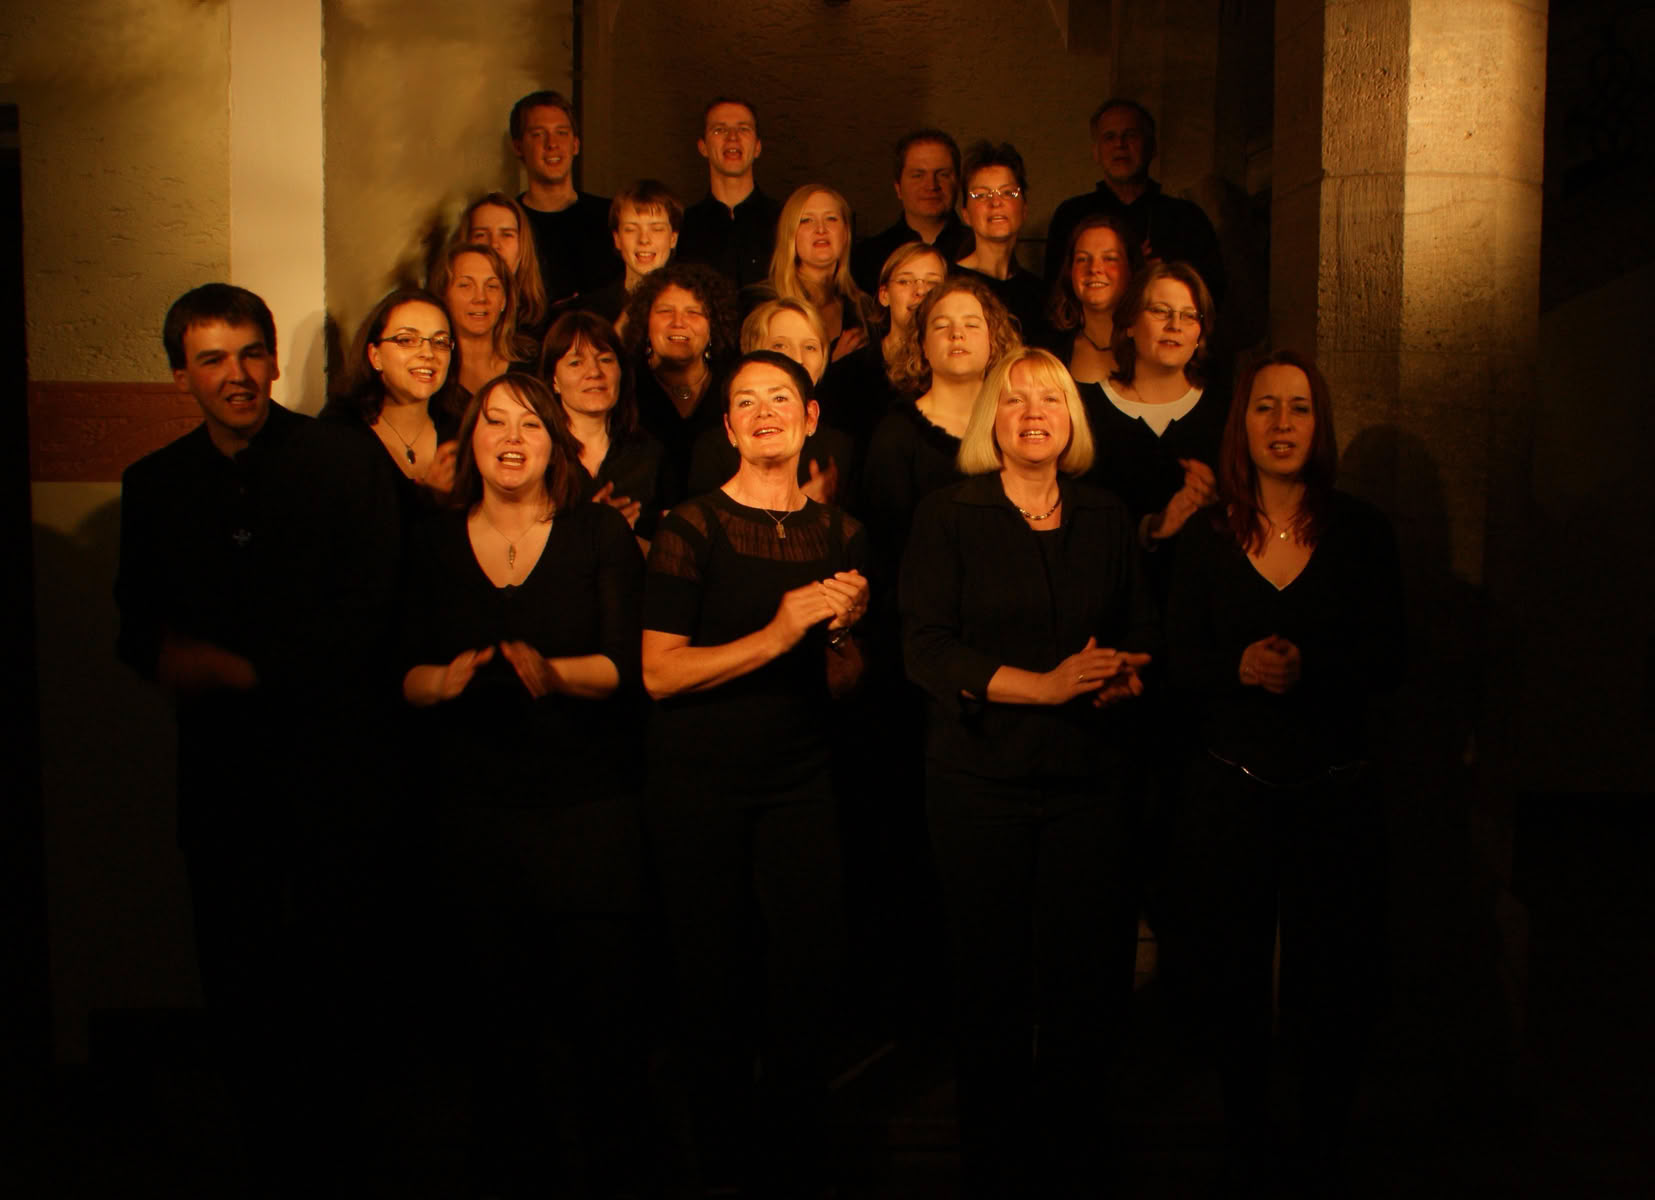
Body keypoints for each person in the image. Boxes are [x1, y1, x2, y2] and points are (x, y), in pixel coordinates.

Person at [115, 284, 401, 1194]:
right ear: (181, 378)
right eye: (211, 359)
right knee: (237, 977)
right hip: (223, 778)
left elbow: (381, 607)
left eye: (249, 354)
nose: (235, 375)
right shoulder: (154, 484)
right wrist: (168, 657)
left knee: (341, 972)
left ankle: (350, 1155)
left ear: (274, 362)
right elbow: (135, 627)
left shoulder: (343, 459)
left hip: (335, 769)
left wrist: (247, 672)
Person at [901, 346, 1156, 1195]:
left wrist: (1125, 675)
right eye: (1014, 401)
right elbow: (926, 649)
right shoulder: (948, 514)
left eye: (1049, 399)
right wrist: (1043, 687)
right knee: (990, 984)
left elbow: (1140, 630)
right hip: (979, 781)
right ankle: (995, 1164)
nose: (1033, 413)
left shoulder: (1106, 514)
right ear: (991, 421)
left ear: (1071, 419)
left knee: (1086, 981)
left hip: (1090, 781)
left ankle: (1077, 1158)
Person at [400, 371, 650, 1197]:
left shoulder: (596, 534)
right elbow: (396, 671)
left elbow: (624, 667)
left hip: (586, 811)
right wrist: (440, 683)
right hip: (473, 813)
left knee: (603, 1025)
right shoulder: (433, 541)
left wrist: (552, 672)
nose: (511, 439)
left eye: (531, 425)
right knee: (493, 1027)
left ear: (556, 444)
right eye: (495, 422)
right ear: (468, 439)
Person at [1160, 351, 1402, 1186]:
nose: (1282, 423)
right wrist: (1236, 667)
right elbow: (1175, 657)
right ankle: (1245, 1142)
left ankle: (1323, 1144)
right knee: (1230, 979)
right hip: (1230, 789)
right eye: (1265, 406)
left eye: (1298, 407)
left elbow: (1393, 658)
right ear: (1242, 424)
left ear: (1318, 424)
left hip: (1333, 792)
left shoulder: (1361, 532)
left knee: (1333, 981)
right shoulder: (1208, 536)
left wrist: (1312, 668)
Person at [641, 351, 869, 1195]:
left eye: (781, 397)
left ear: (811, 419)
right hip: (698, 786)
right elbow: (659, 674)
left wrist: (840, 636)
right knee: (712, 978)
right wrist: (775, 635)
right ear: (729, 427)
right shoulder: (690, 526)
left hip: (801, 780)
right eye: (747, 401)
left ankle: (796, 1154)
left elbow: (846, 684)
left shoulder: (843, 534)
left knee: (807, 973)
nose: (765, 411)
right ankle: (720, 1160)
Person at [1083, 261, 1224, 593]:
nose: (1175, 326)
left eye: (1189, 316)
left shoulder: (1226, 412)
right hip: (1107, 597)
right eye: (1161, 311)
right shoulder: (1084, 408)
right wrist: (1151, 527)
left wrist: (1217, 506)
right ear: (1130, 323)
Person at [1042, 98, 1226, 302]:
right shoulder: (1071, 216)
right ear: (1096, 151)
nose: (1120, 145)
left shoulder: (1187, 219)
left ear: (1151, 147)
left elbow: (1210, 295)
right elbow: (1054, 294)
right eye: (1109, 137)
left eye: (1130, 135)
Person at [687, 297, 855, 503]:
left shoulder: (840, 448)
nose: (797, 358)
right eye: (780, 345)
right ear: (753, 350)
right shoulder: (714, 448)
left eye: (810, 347)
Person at [322, 287, 459, 516]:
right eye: (406, 340)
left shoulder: (460, 432)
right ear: (375, 356)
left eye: (440, 342)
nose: (428, 353)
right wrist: (429, 496)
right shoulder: (339, 434)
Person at [619, 262, 740, 514]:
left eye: (693, 312)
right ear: (645, 321)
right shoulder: (623, 387)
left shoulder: (735, 387)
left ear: (714, 324)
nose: (678, 323)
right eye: (665, 311)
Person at [539, 309, 664, 538]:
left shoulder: (649, 452)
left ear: (621, 372)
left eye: (605, 359)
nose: (595, 372)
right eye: (576, 363)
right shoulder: (538, 455)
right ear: (554, 380)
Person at [818, 241, 947, 460]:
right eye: (905, 281)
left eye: (932, 283)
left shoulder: (958, 371)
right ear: (884, 295)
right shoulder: (847, 375)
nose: (920, 291)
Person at [509, 89, 620, 305]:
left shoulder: (611, 217)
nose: (552, 144)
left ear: (575, 144)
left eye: (561, 133)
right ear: (518, 147)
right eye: (538, 134)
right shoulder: (508, 223)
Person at [760, 182, 879, 363]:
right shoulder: (765, 302)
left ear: (846, 232)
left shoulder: (863, 307)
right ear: (790, 233)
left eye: (831, 219)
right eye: (807, 220)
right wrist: (834, 363)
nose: (821, 229)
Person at [952, 140, 1051, 346]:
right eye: (981, 195)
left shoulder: (1039, 294)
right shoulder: (950, 283)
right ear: (965, 214)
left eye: (1008, 193)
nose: (995, 202)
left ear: (1024, 209)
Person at [676, 97, 781, 289]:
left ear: (757, 147)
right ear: (703, 147)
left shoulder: (785, 221)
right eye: (719, 130)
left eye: (743, 129)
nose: (732, 137)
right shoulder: (682, 227)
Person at [850, 129, 970, 294]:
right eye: (918, 175)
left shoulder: (981, 252)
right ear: (898, 188)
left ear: (957, 184)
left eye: (942, 174)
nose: (931, 185)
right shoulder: (866, 258)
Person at [429, 242, 536, 401]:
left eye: (492, 286)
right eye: (465, 285)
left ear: (504, 300)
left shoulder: (532, 366)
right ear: (444, 296)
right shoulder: (431, 373)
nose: (480, 298)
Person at [1045, 213, 1143, 383]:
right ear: (1069, 271)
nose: (1094, 268)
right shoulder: (1051, 351)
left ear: (1131, 269)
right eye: (1082, 259)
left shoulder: (1152, 347)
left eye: (1110, 258)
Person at [575, 179, 683, 327]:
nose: (644, 240)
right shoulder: (592, 311)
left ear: (673, 239)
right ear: (617, 239)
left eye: (656, 229)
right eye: (631, 229)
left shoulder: (695, 304)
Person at [457, 191, 550, 339]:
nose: (494, 244)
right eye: (481, 235)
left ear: (522, 246)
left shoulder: (545, 326)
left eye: (506, 234)